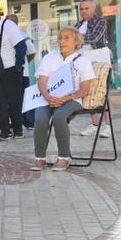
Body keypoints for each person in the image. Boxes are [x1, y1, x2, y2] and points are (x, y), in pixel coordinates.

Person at [30, 28, 96, 172]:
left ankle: (64, 157)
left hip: (73, 99)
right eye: (60, 38)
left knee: (59, 117)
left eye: (66, 38)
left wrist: (65, 98)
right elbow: (41, 81)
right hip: (49, 98)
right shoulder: (49, 58)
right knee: (40, 118)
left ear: (76, 41)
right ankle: (40, 158)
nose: (62, 41)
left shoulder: (83, 61)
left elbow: (85, 89)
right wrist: (48, 97)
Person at [0, 1, 28, 141]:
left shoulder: (8, 25)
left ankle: (18, 129)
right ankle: (5, 131)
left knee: (14, 101)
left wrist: (18, 67)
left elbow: (21, 47)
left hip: (10, 69)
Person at [75, 0, 113, 139]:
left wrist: (77, 38)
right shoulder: (77, 25)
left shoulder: (100, 21)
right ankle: (95, 124)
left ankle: (108, 126)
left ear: (93, 8)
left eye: (87, 8)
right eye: (81, 9)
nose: (83, 11)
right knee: (87, 91)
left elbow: (94, 37)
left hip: (100, 58)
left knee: (103, 92)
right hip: (84, 60)